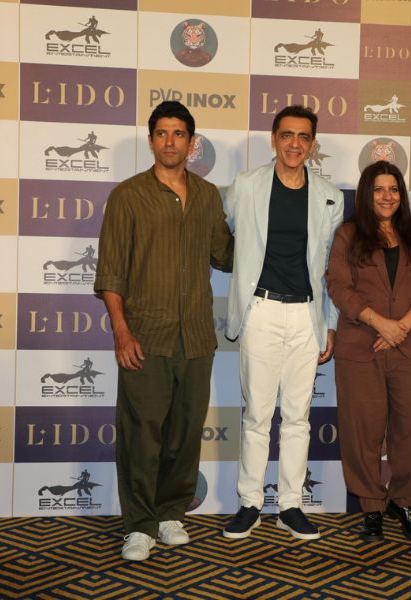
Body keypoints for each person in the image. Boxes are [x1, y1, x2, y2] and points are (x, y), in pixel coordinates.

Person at [94, 100, 233, 561]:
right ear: (151, 139)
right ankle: (139, 525)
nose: (170, 141)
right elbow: (111, 272)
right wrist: (121, 331)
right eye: (162, 133)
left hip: (196, 337)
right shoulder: (128, 195)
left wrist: (272, 235)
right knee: (141, 434)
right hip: (145, 337)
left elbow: (226, 256)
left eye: (179, 134)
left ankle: (171, 513)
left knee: (184, 433)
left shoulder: (208, 196)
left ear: (192, 143)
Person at [222, 105, 344, 540]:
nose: (295, 143)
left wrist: (330, 324)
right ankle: (250, 502)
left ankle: (291, 504)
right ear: (274, 139)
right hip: (262, 310)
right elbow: (227, 236)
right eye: (287, 135)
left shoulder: (330, 196)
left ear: (313, 144)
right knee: (257, 415)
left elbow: (330, 267)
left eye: (303, 136)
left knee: (297, 417)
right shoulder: (245, 185)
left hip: (306, 315)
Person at [326, 161, 411, 542]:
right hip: (361, 346)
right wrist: (379, 323)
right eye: (378, 189)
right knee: (362, 430)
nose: (386, 196)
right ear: (366, 194)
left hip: (408, 347)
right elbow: (338, 286)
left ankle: (404, 502)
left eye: (393, 189)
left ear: (401, 195)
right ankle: (372, 506)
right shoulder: (348, 234)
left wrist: (403, 325)